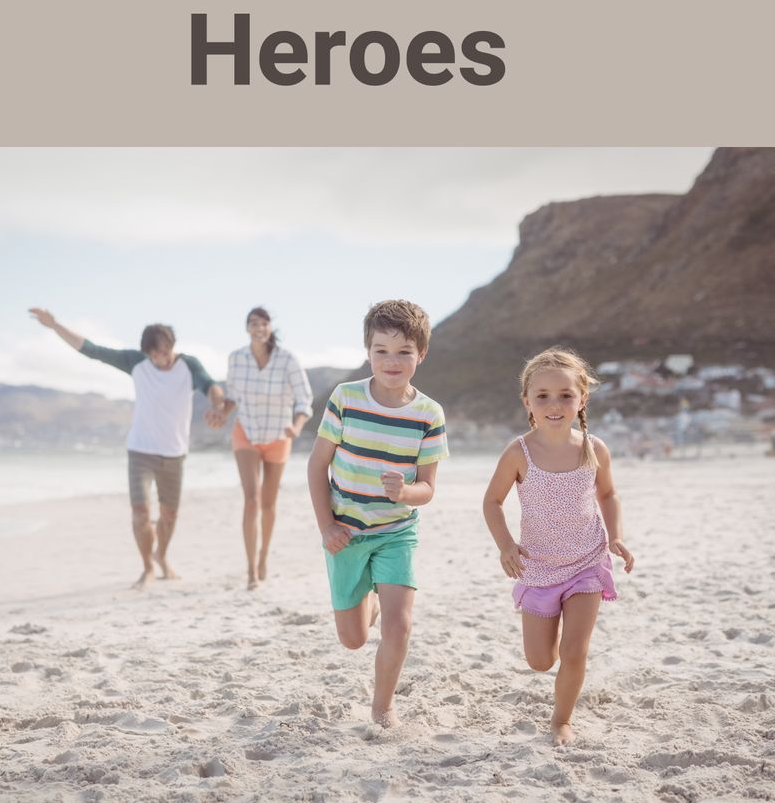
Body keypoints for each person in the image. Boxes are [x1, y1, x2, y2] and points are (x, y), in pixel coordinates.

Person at [307, 299, 448, 727]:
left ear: (420, 355)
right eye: (381, 350)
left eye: (404, 351)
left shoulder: (429, 414)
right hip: (345, 533)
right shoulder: (345, 398)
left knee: (399, 625)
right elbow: (317, 466)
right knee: (353, 640)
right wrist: (327, 526)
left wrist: (406, 492)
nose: (392, 361)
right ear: (367, 351)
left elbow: (427, 489)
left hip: (395, 531)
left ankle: (382, 707)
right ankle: (366, 601)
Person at [482, 347, 634, 746]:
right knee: (539, 660)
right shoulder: (519, 452)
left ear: (582, 399)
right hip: (538, 567)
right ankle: (549, 671)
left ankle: (561, 721)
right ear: (527, 402)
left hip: (587, 561)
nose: (554, 404)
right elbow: (492, 502)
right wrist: (506, 546)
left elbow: (609, 494)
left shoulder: (594, 448)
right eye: (543, 395)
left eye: (566, 395)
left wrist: (616, 536)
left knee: (574, 650)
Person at [29, 307, 227, 589]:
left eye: (161, 353)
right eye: (151, 355)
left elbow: (211, 386)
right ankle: (147, 567)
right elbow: (92, 350)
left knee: (169, 515)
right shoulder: (136, 362)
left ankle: (162, 555)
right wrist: (55, 325)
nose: (156, 360)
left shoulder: (189, 365)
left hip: (174, 453)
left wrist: (219, 404)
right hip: (141, 451)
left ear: (171, 347)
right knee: (141, 512)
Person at [210, 307, 314, 589]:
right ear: (247, 328)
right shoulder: (236, 359)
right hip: (246, 431)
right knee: (251, 499)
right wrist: (222, 412)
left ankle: (264, 555)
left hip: (279, 435)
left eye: (264, 322)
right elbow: (232, 399)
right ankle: (251, 571)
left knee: (268, 503)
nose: (259, 327)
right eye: (253, 323)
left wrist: (298, 425)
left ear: (270, 328)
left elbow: (304, 400)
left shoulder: (287, 359)